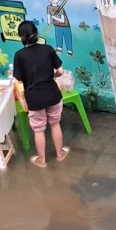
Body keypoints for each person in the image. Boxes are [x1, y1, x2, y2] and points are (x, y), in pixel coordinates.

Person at [12, 20, 69, 169]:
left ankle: (42, 160)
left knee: (39, 129)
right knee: (55, 124)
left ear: (21, 38)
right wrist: (53, 76)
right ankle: (60, 154)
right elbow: (61, 71)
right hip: (52, 94)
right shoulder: (48, 49)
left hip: (34, 98)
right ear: (36, 34)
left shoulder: (19, 55)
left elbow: (17, 78)